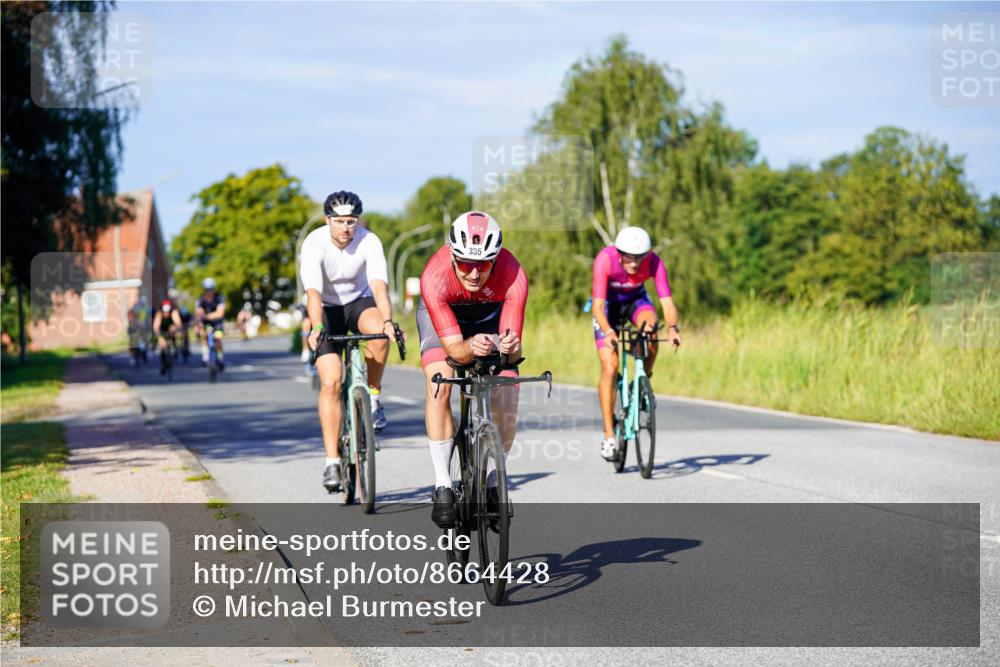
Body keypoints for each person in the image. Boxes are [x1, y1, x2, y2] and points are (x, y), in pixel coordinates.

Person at [417, 211, 528, 528]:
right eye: (465, 263)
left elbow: (512, 349)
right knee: (440, 383)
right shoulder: (435, 276)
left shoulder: (514, 274)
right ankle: (442, 485)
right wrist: (470, 347)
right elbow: (454, 350)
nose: (475, 273)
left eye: (484, 264)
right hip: (444, 318)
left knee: (506, 393)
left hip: (489, 316)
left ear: (496, 259)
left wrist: (506, 348)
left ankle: (494, 482)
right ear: (453, 255)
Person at [300, 191, 398, 493]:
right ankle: (332, 461)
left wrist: (389, 321)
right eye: (339, 221)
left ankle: (374, 397)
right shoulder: (314, 243)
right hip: (325, 310)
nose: (345, 228)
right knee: (331, 381)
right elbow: (313, 294)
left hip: (357, 303)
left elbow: (379, 287)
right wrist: (316, 327)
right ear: (328, 220)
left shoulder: (369, 241)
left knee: (380, 332)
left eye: (351, 221)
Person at [591, 226, 682, 461]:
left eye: (639, 258)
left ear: (647, 255)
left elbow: (667, 302)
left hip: (636, 302)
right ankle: (610, 436)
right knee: (610, 366)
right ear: (619, 253)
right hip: (607, 308)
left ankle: (643, 382)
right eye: (629, 258)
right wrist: (609, 331)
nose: (634, 264)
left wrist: (672, 328)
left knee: (652, 329)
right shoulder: (605, 260)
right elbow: (598, 307)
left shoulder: (654, 262)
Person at [196, 277, 226, 370]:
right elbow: (199, 312)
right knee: (204, 336)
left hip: (217, 322)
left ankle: (220, 358)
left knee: (218, 337)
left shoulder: (219, 297)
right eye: (207, 290)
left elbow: (220, 313)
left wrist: (207, 316)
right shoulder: (201, 299)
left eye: (211, 289)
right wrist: (198, 323)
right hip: (206, 323)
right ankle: (205, 357)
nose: (209, 292)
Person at [152, 298, 183, 374]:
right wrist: (159, 336)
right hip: (162, 329)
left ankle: (175, 348)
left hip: (171, 329)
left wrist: (176, 328)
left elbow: (178, 323)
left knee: (175, 334)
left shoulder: (174, 312)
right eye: (164, 312)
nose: (166, 314)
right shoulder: (159, 313)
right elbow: (156, 326)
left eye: (168, 312)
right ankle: (163, 363)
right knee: (162, 345)